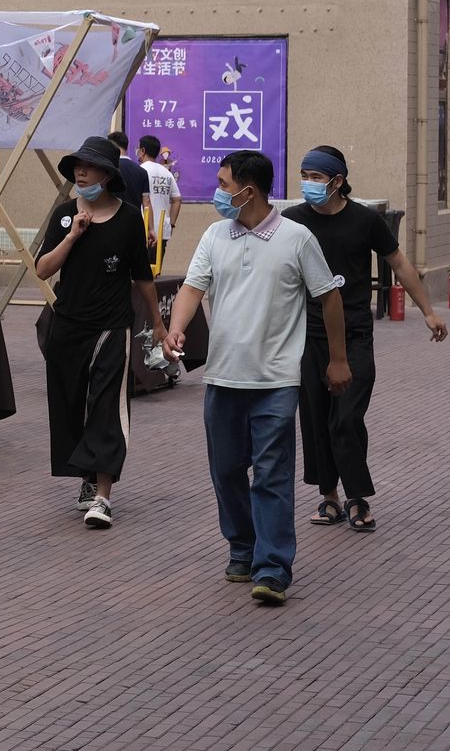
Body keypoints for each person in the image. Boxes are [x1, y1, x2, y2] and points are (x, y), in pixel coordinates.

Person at [166, 150, 350, 606]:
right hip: (224, 377)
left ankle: (272, 567)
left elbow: (328, 297)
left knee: (270, 474)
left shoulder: (297, 238)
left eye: (224, 184)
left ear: (249, 190)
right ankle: (243, 548)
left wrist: (338, 359)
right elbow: (193, 287)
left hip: (276, 380)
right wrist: (177, 326)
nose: (218, 192)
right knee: (226, 472)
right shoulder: (214, 235)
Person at [283, 145, 447, 533]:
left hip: (355, 333)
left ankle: (358, 496)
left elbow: (400, 264)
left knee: (347, 416)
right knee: (317, 418)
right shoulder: (292, 222)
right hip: (308, 334)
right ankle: (330, 498)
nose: (308, 184)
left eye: (316, 177)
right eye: (304, 176)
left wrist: (427, 310)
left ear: (337, 181)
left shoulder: (364, 221)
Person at [33, 136, 170, 529]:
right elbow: (43, 270)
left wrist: (158, 326)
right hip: (67, 328)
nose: (81, 172)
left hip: (111, 327)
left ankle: (104, 496)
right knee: (70, 405)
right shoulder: (63, 215)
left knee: (106, 406)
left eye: (89, 167)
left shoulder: (128, 218)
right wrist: (74, 235)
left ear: (108, 175)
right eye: (78, 165)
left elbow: (142, 277)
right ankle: (87, 478)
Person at [137, 135, 180, 271]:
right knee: (155, 275)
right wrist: (171, 223)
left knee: (138, 276)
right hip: (162, 231)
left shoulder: (139, 171)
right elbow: (177, 200)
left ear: (143, 150)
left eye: (138, 149)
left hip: (141, 230)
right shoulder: (166, 173)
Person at [109, 131, 153, 248]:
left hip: (110, 222)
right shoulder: (141, 172)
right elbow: (146, 202)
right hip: (134, 224)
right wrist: (150, 229)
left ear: (113, 146)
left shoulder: (108, 169)